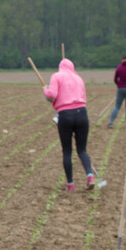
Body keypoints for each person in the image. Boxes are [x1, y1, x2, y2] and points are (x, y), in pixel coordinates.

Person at [44, 58, 96, 191]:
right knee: (82, 150)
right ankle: (89, 176)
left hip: (65, 115)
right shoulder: (78, 78)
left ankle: (70, 185)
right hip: (82, 113)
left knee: (67, 151)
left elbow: (52, 95)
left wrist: (45, 90)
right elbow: (83, 96)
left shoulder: (56, 76)